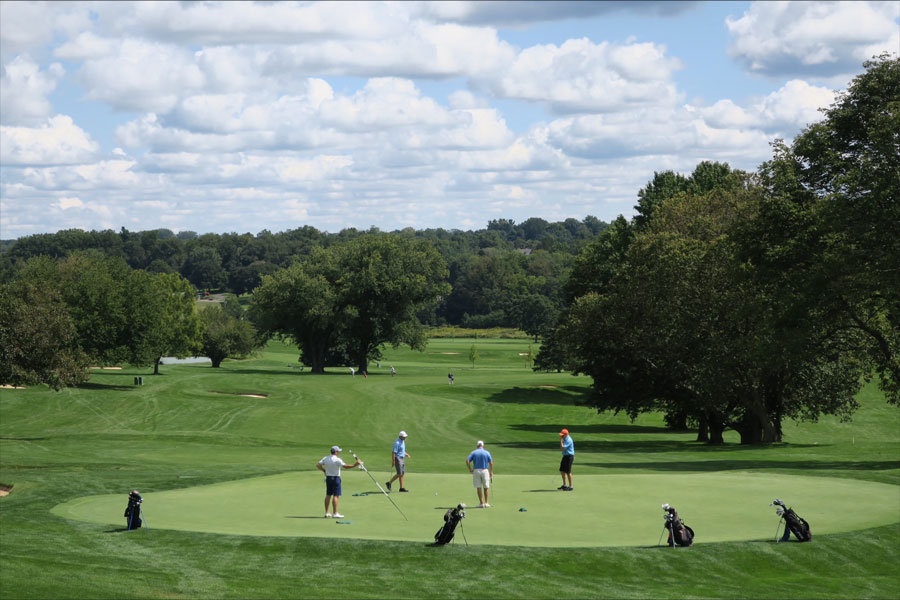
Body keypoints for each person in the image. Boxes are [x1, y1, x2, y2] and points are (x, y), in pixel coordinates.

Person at [316, 445, 361, 518]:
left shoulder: (326, 458)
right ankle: (335, 513)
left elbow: (318, 465)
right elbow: (346, 466)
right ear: (336, 452)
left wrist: (324, 470)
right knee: (336, 495)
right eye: (338, 451)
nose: (339, 452)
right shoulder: (337, 460)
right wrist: (355, 464)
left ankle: (327, 513)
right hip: (336, 479)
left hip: (328, 478)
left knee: (328, 495)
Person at [466, 440, 493, 508]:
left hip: (476, 471)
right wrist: (491, 472)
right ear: (483, 446)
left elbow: (467, 460)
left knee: (479, 487)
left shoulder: (474, 452)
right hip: (485, 470)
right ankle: (486, 503)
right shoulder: (487, 452)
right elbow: (491, 463)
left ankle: (481, 503)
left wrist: (470, 469)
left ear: (477, 446)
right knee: (486, 487)